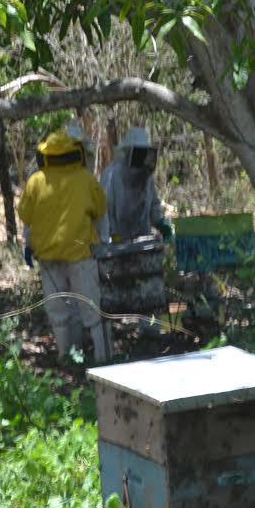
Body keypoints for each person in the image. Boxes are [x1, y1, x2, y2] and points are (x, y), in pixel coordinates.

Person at [17, 129, 111, 363]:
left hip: (49, 257)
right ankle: (103, 359)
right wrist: (101, 244)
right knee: (91, 309)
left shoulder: (35, 182)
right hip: (81, 255)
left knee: (59, 311)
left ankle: (67, 357)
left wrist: (29, 245)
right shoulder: (85, 179)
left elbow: (26, 217)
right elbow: (101, 212)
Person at [99, 127, 173, 244]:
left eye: (144, 152)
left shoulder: (146, 176)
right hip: (117, 243)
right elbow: (103, 213)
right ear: (129, 152)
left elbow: (153, 205)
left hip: (143, 240)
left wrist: (161, 223)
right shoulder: (111, 175)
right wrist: (110, 238)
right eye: (139, 152)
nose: (142, 156)